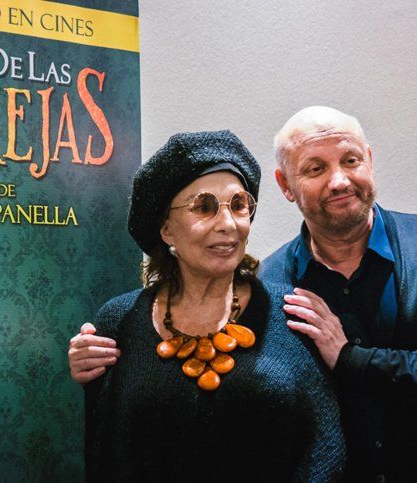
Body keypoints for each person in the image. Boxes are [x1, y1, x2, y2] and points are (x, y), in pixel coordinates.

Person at [70, 108, 417, 482]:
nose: (339, 181)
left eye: (351, 160)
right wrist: (97, 360)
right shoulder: (275, 286)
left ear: (369, 160)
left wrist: (353, 361)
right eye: (315, 168)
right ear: (286, 186)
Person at [75, 130, 345, 482]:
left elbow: (324, 449)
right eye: (204, 207)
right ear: (167, 229)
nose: (228, 224)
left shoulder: (292, 313)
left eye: (239, 205)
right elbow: (105, 453)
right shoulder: (118, 321)